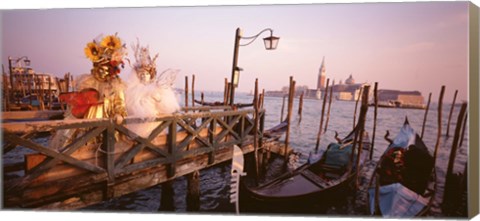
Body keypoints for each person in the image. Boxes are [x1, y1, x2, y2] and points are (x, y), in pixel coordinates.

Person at [50, 33, 128, 149]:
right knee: (78, 142)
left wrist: (119, 113)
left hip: (107, 123)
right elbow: (79, 102)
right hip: (87, 121)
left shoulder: (115, 84)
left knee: (106, 146)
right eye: (98, 68)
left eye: (105, 68)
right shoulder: (87, 82)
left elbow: (119, 102)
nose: (101, 72)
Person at [125, 39, 181, 138]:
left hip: (154, 127)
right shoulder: (132, 90)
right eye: (141, 74)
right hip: (137, 127)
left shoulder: (157, 89)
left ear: (150, 75)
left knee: (153, 136)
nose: (143, 76)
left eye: (146, 74)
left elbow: (166, 108)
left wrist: (158, 99)